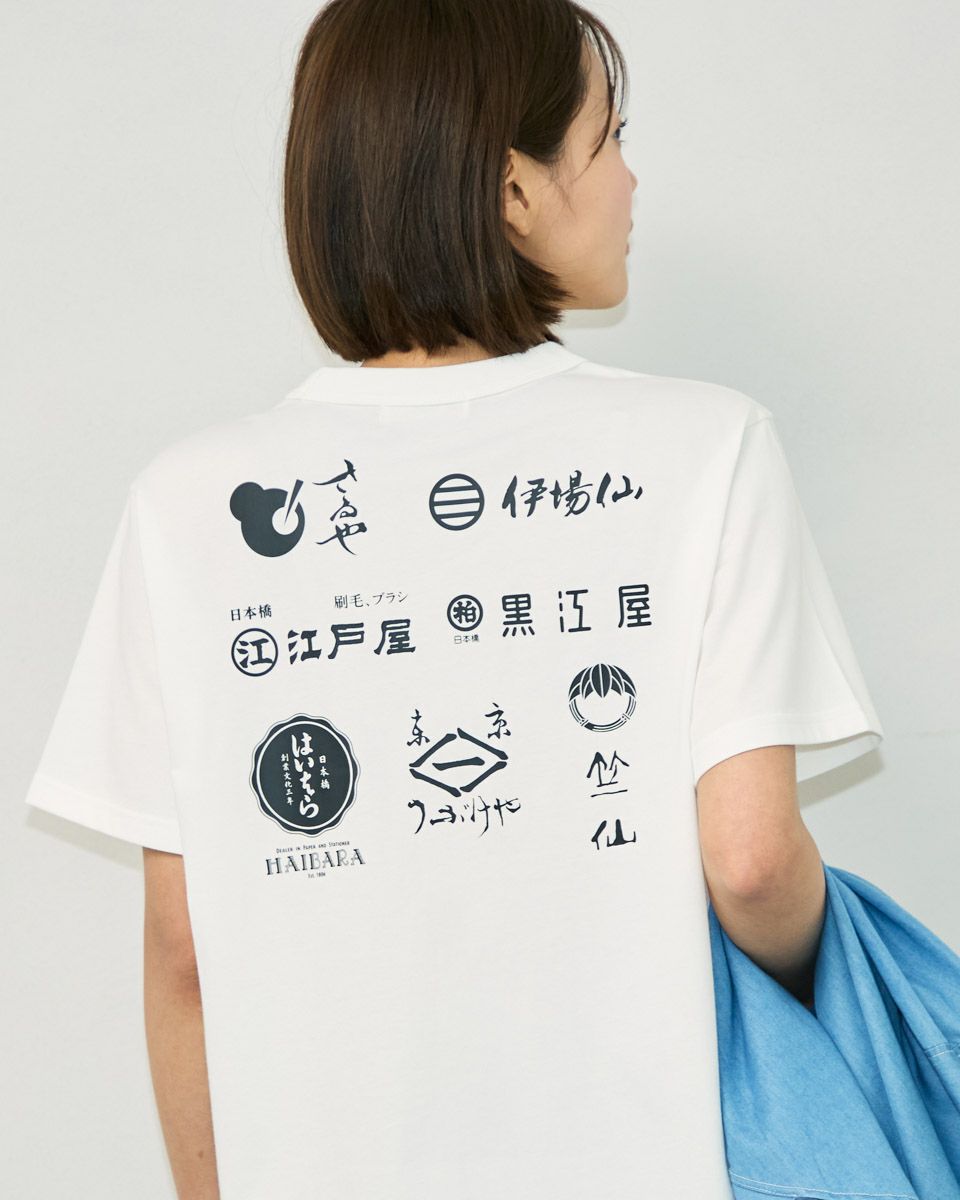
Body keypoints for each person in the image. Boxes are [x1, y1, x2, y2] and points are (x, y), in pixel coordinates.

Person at [24, 1, 884, 1197]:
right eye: (609, 138)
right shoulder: (705, 449)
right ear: (514, 189)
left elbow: (184, 950)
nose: (632, 182)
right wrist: (854, 991)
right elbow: (749, 862)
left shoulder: (188, 505)